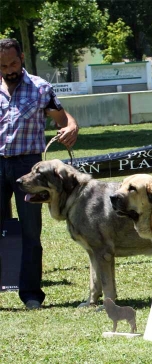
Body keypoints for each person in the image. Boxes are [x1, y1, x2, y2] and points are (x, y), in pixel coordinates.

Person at [0, 38, 79, 309]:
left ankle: (31, 294)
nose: (9, 69)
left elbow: (63, 119)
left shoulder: (40, 88)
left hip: (29, 168)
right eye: (2, 65)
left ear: (22, 57)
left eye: (12, 63)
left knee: (30, 232)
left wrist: (71, 127)